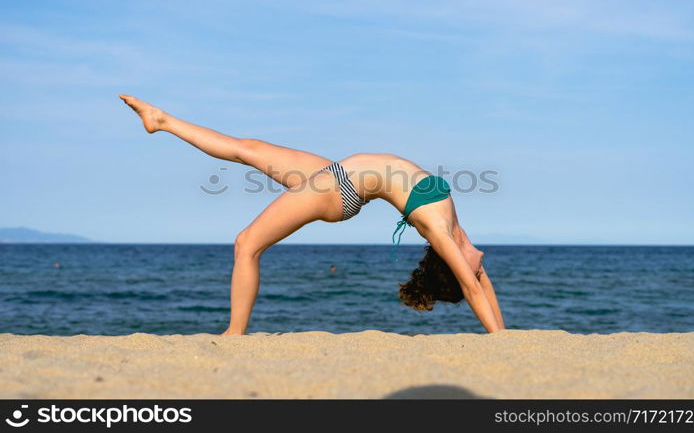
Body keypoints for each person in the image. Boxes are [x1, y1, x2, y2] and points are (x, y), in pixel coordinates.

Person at [119, 94, 506, 334]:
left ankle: (234, 333)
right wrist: (505, 334)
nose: (483, 266)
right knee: (247, 148)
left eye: (474, 268)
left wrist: (496, 340)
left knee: (246, 243)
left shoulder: (441, 230)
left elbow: (472, 289)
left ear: (454, 265)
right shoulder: (458, 232)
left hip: (338, 190)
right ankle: (162, 120)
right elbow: (480, 284)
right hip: (337, 174)